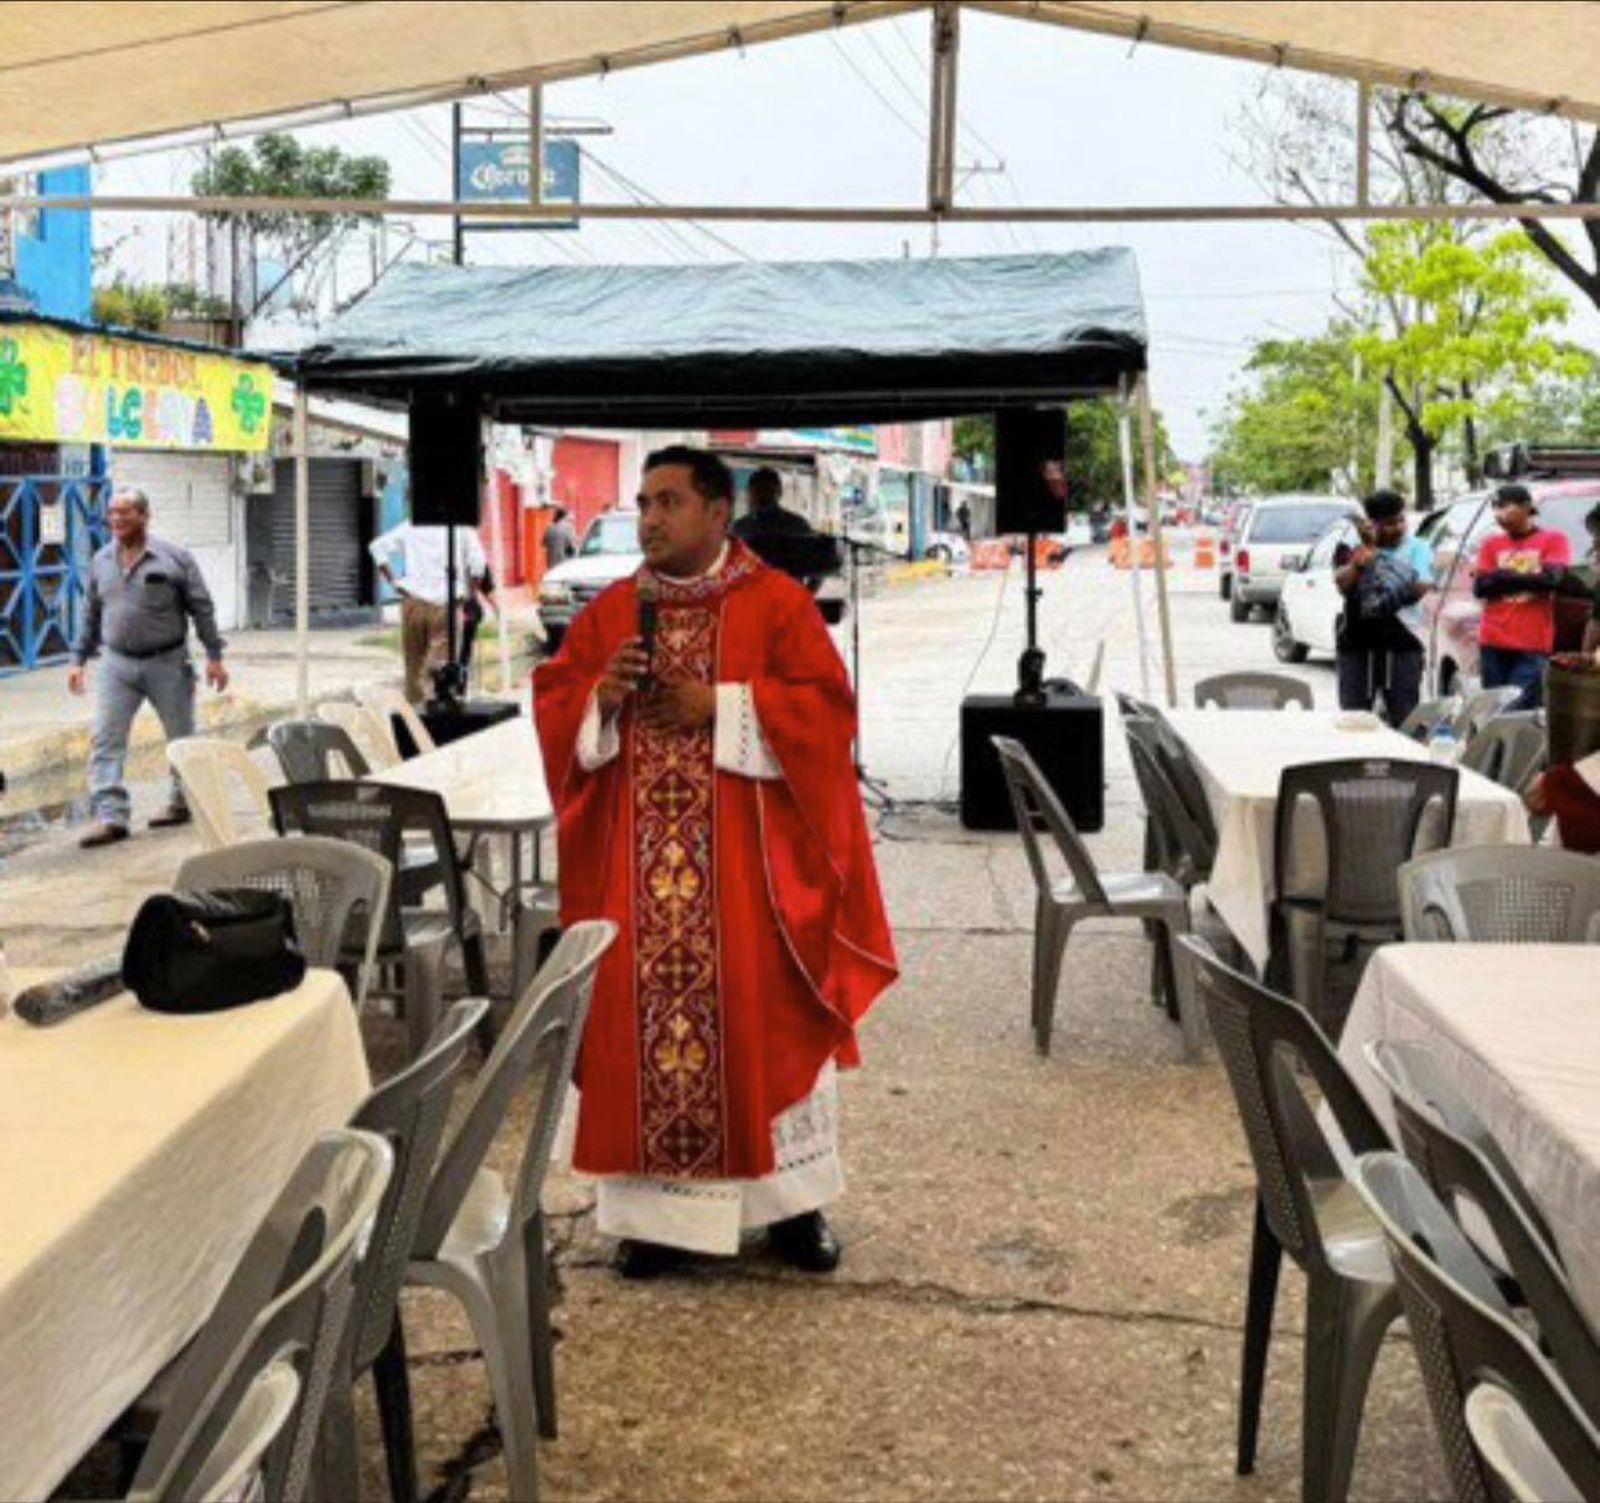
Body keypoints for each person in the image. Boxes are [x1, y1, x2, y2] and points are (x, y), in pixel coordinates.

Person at [534, 445, 897, 1279]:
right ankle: (658, 1223)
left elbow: (825, 713)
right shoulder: (614, 609)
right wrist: (602, 699)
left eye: (667, 502)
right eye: (643, 502)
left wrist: (723, 705)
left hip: (749, 880)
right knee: (645, 1034)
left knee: (764, 1024)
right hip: (639, 883)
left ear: (715, 512)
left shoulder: (773, 604)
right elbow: (557, 699)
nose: (650, 518)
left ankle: (791, 1209)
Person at [68, 486, 229, 848]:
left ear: (144, 515)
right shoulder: (101, 560)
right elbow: (91, 613)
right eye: (112, 513)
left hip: (167, 662)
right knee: (106, 738)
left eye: (125, 513)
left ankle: (181, 802)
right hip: (116, 664)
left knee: (182, 737)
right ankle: (112, 817)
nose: (117, 520)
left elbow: (201, 608)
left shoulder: (175, 559)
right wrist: (78, 659)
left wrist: (215, 657)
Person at [1332, 488, 1433, 727]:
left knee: (1405, 719)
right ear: (1372, 523)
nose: (1398, 527)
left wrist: (1376, 561)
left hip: (1403, 644)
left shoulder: (1419, 547)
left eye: (1400, 520)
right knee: (1354, 720)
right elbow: (1343, 585)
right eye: (1389, 523)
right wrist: (1357, 566)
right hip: (1357, 645)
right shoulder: (1350, 547)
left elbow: (1419, 588)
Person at [369, 514, 491, 703]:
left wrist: (394, 582)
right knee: (440, 668)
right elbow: (478, 565)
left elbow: (376, 547)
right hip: (446, 606)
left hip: (413, 604)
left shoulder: (411, 525)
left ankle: (415, 716)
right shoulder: (462, 528)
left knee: (413, 666)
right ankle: (438, 715)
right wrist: (471, 595)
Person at [1472, 482, 1571, 710]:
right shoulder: (1491, 543)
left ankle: (1516, 748)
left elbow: (1551, 580)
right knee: (1493, 706)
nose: (1498, 515)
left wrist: (1501, 575)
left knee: (1518, 707)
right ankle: (1493, 747)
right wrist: (1529, 575)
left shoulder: (1553, 539)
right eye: (1495, 509)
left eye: (1505, 507)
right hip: (1493, 639)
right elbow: (1480, 587)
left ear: (1527, 507)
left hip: (1532, 641)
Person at [730, 466, 814, 541]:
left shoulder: (797, 526)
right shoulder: (740, 528)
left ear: (779, 492)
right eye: (758, 490)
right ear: (749, 493)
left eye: (768, 490)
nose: (763, 495)